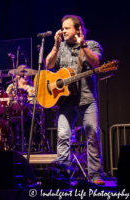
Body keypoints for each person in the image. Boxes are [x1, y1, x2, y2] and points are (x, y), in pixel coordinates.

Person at [45, 15, 104, 185]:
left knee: (92, 135)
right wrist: (55, 46)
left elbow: (96, 62)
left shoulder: (92, 44)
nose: (63, 31)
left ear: (78, 30)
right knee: (63, 136)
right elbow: (48, 65)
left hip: (87, 100)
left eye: (67, 28)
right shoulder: (60, 47)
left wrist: (83, 45)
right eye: (62, 28)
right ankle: (62, 175)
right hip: (66, 102)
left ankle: (95, 175)